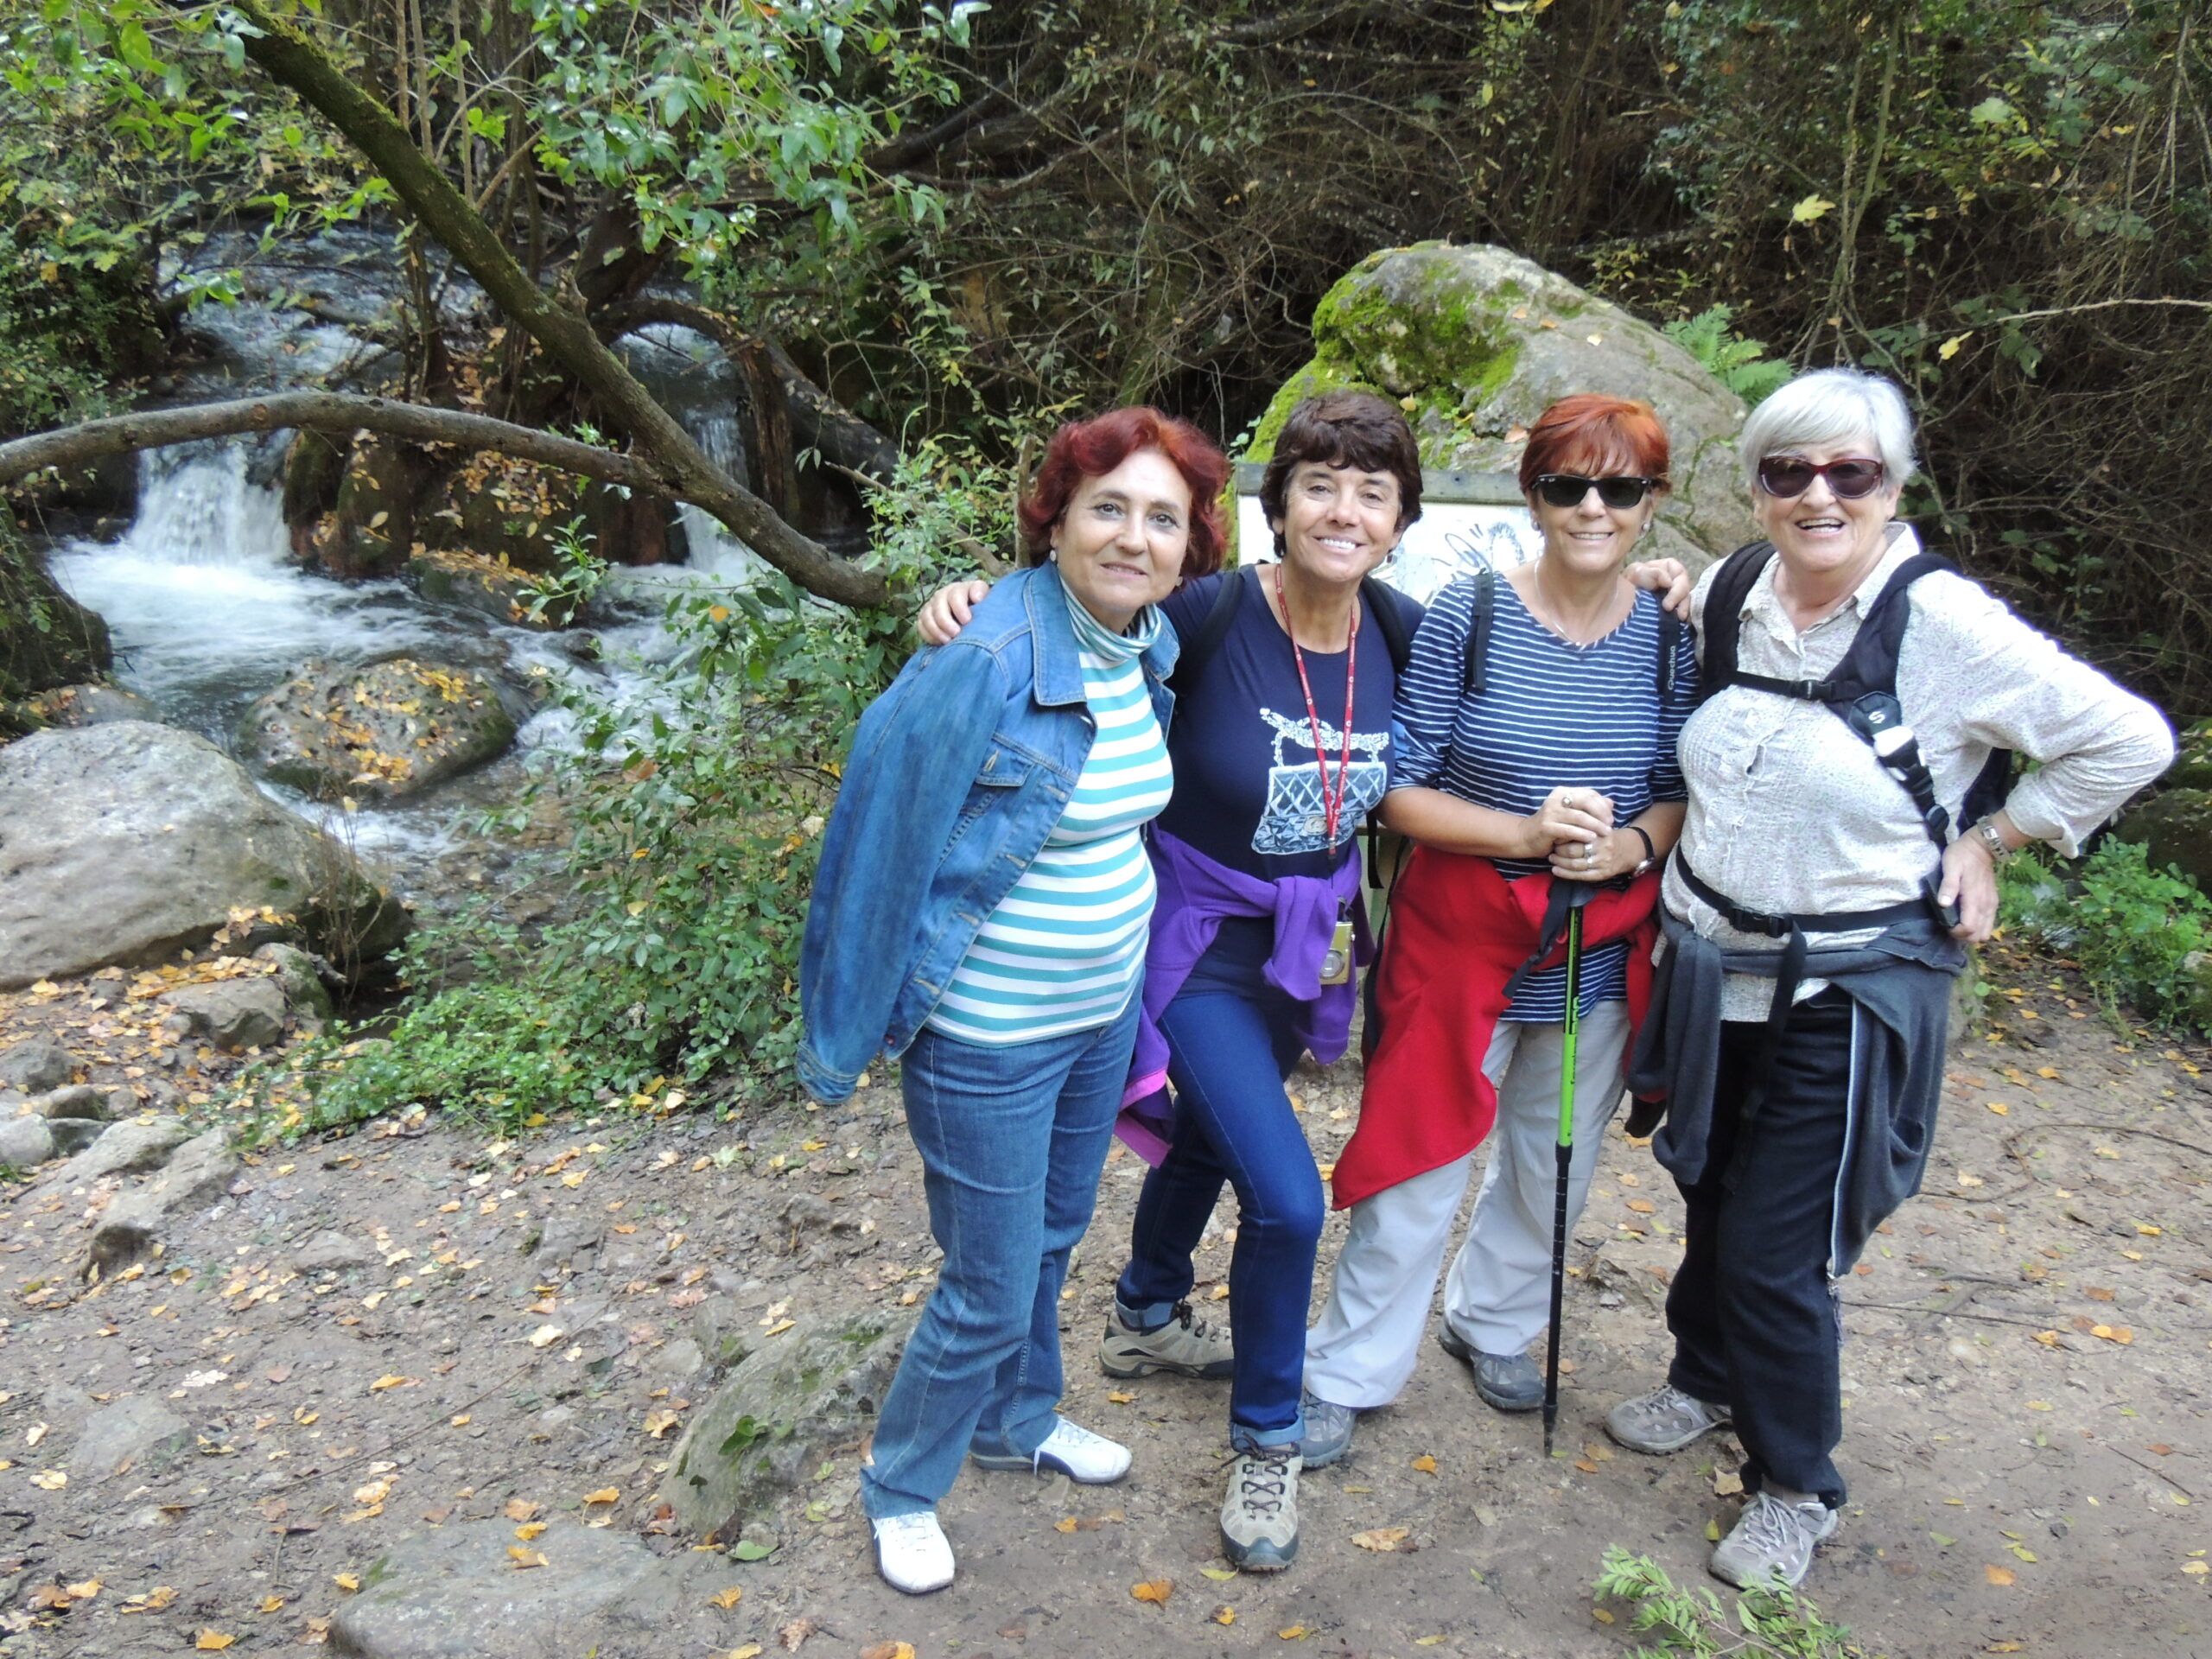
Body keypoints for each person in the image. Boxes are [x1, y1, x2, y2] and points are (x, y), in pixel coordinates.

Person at [1611, 366, 2173, 1590]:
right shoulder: (1740, 590)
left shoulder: (1943, 625)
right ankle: (1704, 1379)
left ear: (1894, 486)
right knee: (1708, 1186)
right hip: (1715, 969)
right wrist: (1663, 580)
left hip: (1852, 985)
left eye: (1848, 472)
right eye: (1787, 473)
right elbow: (1688, 620)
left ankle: (1796, 1480)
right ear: (1756, 492)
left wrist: (1996, 837)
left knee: (1774, 1244)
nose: (1818, 495)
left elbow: (2133, 736)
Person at [797, 406, 1230, 1595]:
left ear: (1192, 543)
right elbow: (873, 845)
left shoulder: (1149, 647)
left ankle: (1019, 1421)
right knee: (985, 1284)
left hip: (1098, 1018)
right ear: (1057, 520)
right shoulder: (982, 655)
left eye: (1163, 518)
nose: (1133, 537)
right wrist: (838, 1033)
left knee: (1047, 1243)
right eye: (1109, 509)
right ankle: (901, 1486)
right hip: (988, 1038)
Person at [1300, 396, 1698, 1464]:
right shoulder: (1468, 616)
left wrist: (1632, 851)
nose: (1592, 508)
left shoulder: (1669, 644)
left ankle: (1494, 1323)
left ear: (1652, 505)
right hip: (1458, 947)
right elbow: (1399, 792)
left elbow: (1674, 793)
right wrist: (1523, 832)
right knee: (1417, 1162)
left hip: (1595, 957)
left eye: (1620, 488)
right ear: (1532, 495)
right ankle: (1348, 1368)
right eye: (1567, 484)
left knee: (1548, 1166)